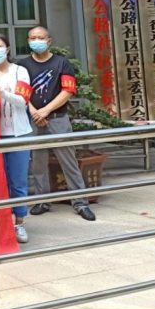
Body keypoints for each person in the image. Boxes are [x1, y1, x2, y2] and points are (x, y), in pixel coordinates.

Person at [18, 26, 95, 221]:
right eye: (33, 38)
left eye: (40, 38)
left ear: (49, 41)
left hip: (58, 119)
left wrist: (46, 110)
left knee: (69, 162)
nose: (37, 41)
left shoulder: (62, 62)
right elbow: (21, 93)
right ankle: (42, 201)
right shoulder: (22, 65)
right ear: (28, 42)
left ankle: (80, 203)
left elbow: (68, 91)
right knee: (38, 164)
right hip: (33, 121)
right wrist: (35, 112)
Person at [0, 33, 33, 243]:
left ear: (8, 49)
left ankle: (19, 222)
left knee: (18, 181)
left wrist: (3, 93)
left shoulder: (20, 71)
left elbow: (23, 100)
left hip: (18, 134)